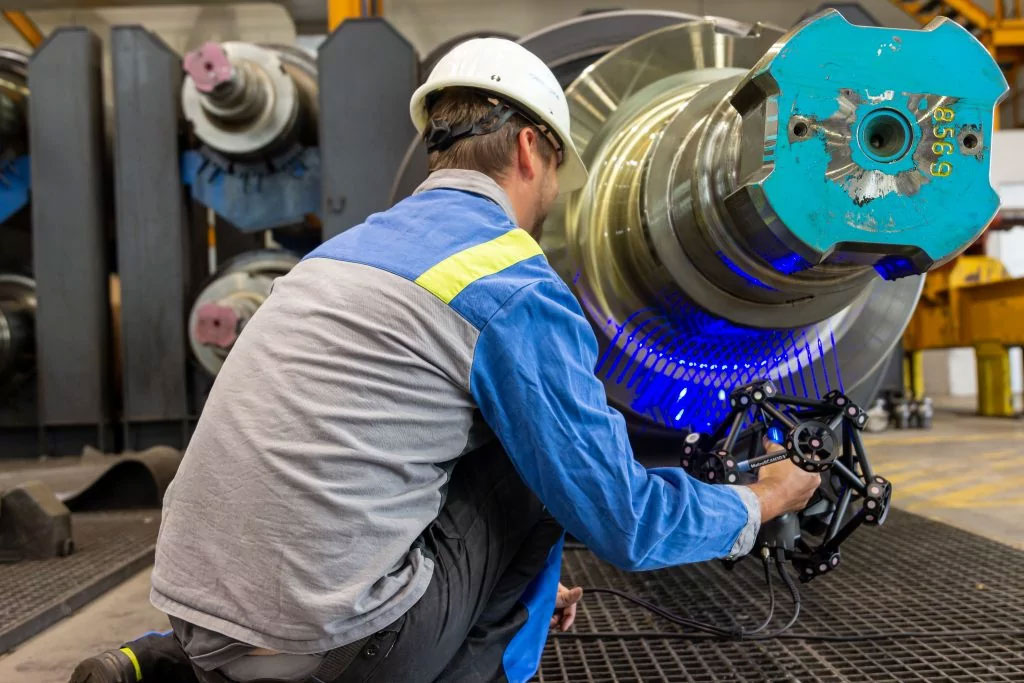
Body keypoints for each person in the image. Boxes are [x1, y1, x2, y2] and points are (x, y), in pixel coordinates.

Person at [71, 38, 818, 683]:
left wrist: (514, 580)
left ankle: (165, 662)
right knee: (536, 471)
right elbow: (623, 518)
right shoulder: (514, 285)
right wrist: (763, 499)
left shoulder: (339, 255)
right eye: (560, 167)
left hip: (200, 616)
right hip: (336, 652)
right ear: (532, 148)